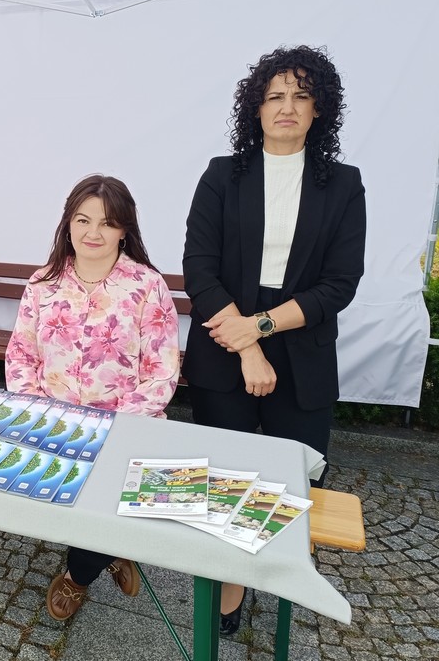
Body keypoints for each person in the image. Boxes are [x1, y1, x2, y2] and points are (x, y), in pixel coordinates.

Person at [182, 45, 366, 635]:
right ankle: (229, 585)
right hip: (224, 346)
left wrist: (260, 327)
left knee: (292, 484)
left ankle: (277, 570)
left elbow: (339, 284)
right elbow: (198, 270)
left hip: (302, 351)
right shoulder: (222, 175)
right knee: (224, 479)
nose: (287, 106)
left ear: (319, 109)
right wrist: (247, 346)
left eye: (301, 96)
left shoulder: (343, 185)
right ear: (256, 109)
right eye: (275, 96)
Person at [5, 174, 180, 621]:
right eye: (83, 220)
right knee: (61, 501)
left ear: (125, 229)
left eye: (107, 222)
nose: (93, 233)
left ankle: (79, 575)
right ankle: (116, 550)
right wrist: (39, 410)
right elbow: (22, 355)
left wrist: (110, 427)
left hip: (125, 427)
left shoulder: (147, 286)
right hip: (54, 421)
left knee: (104, 502)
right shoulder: (43, 283)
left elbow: (161, 372)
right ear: (67, 223)